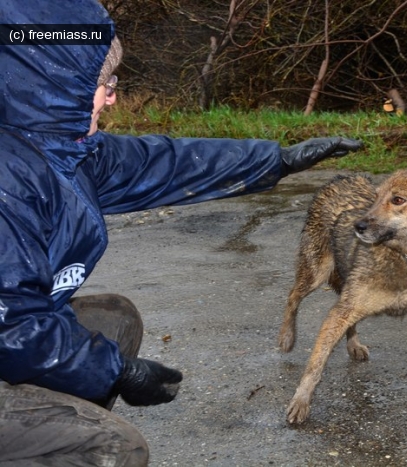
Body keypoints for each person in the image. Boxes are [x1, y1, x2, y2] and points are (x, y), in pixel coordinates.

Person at [0, 1, 363, 465]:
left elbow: (163, 162)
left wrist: (280, 160)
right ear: (52, 88)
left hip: (14, 335)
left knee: (116, 318)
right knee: (114, 448)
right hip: (9, 334)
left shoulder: (64, 151)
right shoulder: (9, 175)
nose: (113, 97)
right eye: (103, 84)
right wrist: (119, 372)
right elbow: (11, 324)